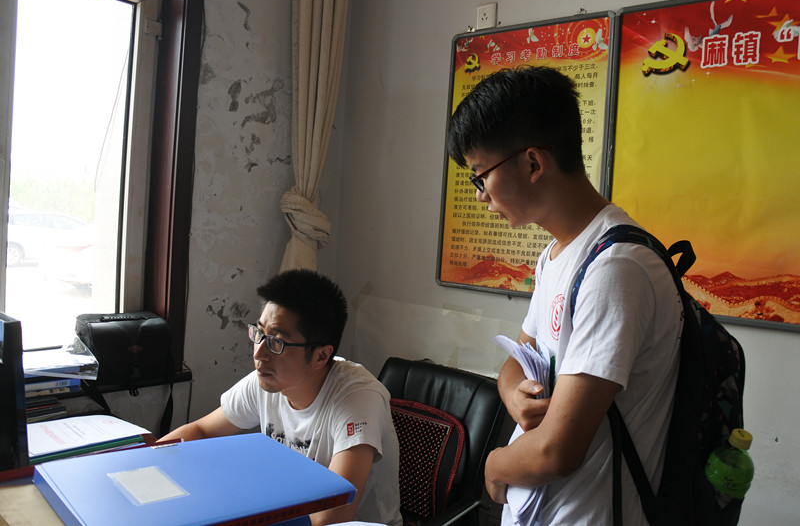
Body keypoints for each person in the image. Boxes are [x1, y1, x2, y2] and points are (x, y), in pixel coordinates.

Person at [446, 65, 683, 525]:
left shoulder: (616, 268)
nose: (480, 196)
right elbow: (517, 360)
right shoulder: (557, 255)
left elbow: (557, 452)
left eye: (480, 176)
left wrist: (494, 465)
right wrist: (515, 396)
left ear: (533, 163)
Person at [161, 269, 402, 526]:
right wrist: (144, 460)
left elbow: (332, 516)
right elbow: (201, 431)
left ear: (321, 355)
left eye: (277, 342)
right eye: (259, 334)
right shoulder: (269, 380)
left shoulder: (357, 399)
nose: (259, 353)